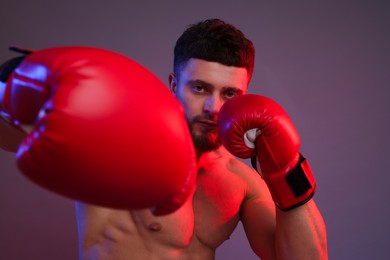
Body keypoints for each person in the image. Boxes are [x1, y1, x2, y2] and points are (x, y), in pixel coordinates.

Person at [75, 18, 328, 259]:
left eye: (229, 94)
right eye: (199, 88)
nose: (213, 107)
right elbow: (42, 91)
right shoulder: (117, 147)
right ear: (174, 85)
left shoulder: (241, 181)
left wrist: (286, 171)